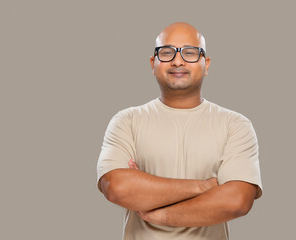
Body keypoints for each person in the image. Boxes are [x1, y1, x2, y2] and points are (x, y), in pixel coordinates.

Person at [96, 22, 262, 240]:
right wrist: (204, 187)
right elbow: (117, 188)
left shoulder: (235, 125)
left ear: (207, 64)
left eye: (190, 52)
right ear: (152, 63)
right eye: (166, 52)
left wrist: (158, 215)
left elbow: (236, 201)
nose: (178, 60)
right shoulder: (127, 121)